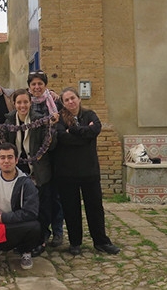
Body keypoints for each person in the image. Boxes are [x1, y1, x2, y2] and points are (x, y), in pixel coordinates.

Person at [53, 87, 120, 256]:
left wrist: (74, 131)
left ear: (79, 98)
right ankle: (75, 242)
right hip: (67, 173)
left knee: (95, 208)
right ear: (63, 103)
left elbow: (95, 131)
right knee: (71, 209)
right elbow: (62, 138)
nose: (70, 102)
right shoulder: (59, 119)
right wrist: (84, 134)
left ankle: (101, 241)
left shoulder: (90, 115)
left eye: (73, 98)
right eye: (66, 100)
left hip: (89, 171)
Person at [3, 88, 55, 256]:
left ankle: (41, 240)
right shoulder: (10, 120)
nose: (22, 105)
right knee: (22, 206)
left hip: (38, 169)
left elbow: (49, 145)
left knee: (42, 206)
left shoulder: (40, 121)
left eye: (25, 102)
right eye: (19, 102)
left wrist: (51, 135)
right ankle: (25, 240)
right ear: (14, 104)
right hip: (20, 169)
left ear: (30, 102)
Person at [0, 142, 41, 270]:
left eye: (10, 157)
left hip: (12, 223)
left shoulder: (26, 183)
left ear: (16, 160)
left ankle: (26, 251)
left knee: (34, 227)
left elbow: (31, 212)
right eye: (3, 158)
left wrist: (5, 218)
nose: (6, 161)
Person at [27, 71, 64, 248]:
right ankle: (43, 231)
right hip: (36, 158)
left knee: (55, 196)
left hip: (54, 154)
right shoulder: (26, 104)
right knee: (41, 198)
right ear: (29, 87)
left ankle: (58, 231)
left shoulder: (55, 102)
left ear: (45, 85)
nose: (37, 87)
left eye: (40, 84)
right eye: (33, 84)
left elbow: (63, 123)